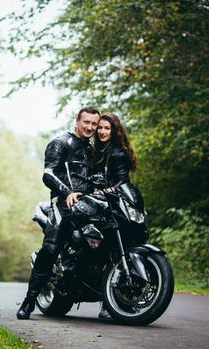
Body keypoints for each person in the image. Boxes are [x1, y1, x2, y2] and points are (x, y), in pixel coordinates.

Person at [16, 106, 101, 320]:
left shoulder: (93, 150)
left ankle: (107, 300)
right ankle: (28, 301)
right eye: (87, 123)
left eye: (94, 124)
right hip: (62, 203)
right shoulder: (60, 143)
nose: (90, 127)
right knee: (51, 247)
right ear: (77, 121)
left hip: (89, 204)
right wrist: (68, 192)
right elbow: (48, 174)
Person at [93, 112, 139, 318]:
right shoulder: (95, 151)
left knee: (115, 251)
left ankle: (109, 303)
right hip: (97, 203)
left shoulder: (118, 153)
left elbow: (122, 183)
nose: (102, 131)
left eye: (106, 128)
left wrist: (105, 191)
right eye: (100, 128)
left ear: (115, 130)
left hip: (113, 205)